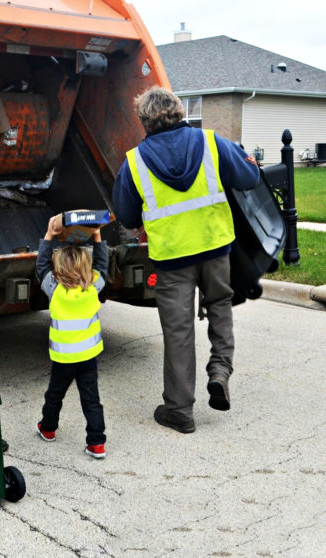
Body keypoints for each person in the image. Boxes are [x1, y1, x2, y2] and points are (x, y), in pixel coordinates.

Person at [113, 86, 260, 434]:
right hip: (214, 248)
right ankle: (220, 372)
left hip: (172, 258)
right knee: (220, 306)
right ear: (178, 112)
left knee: (178, 332)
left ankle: (179, 410)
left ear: (144, 120)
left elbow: (127, 215)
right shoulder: (211, 142)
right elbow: (249, 178)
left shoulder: (134, 161)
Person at [35, 216, 109, 458]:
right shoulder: (93, 288)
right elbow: (103, 266)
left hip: (63, 358)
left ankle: (47, 429)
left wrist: (49, 235)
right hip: (88, 357)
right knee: (92, 400)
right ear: (86, 269)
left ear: (58, 270)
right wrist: (97, 235)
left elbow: (41, 266)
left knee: (54, 395)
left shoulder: (54, 291)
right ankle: (97, 443)